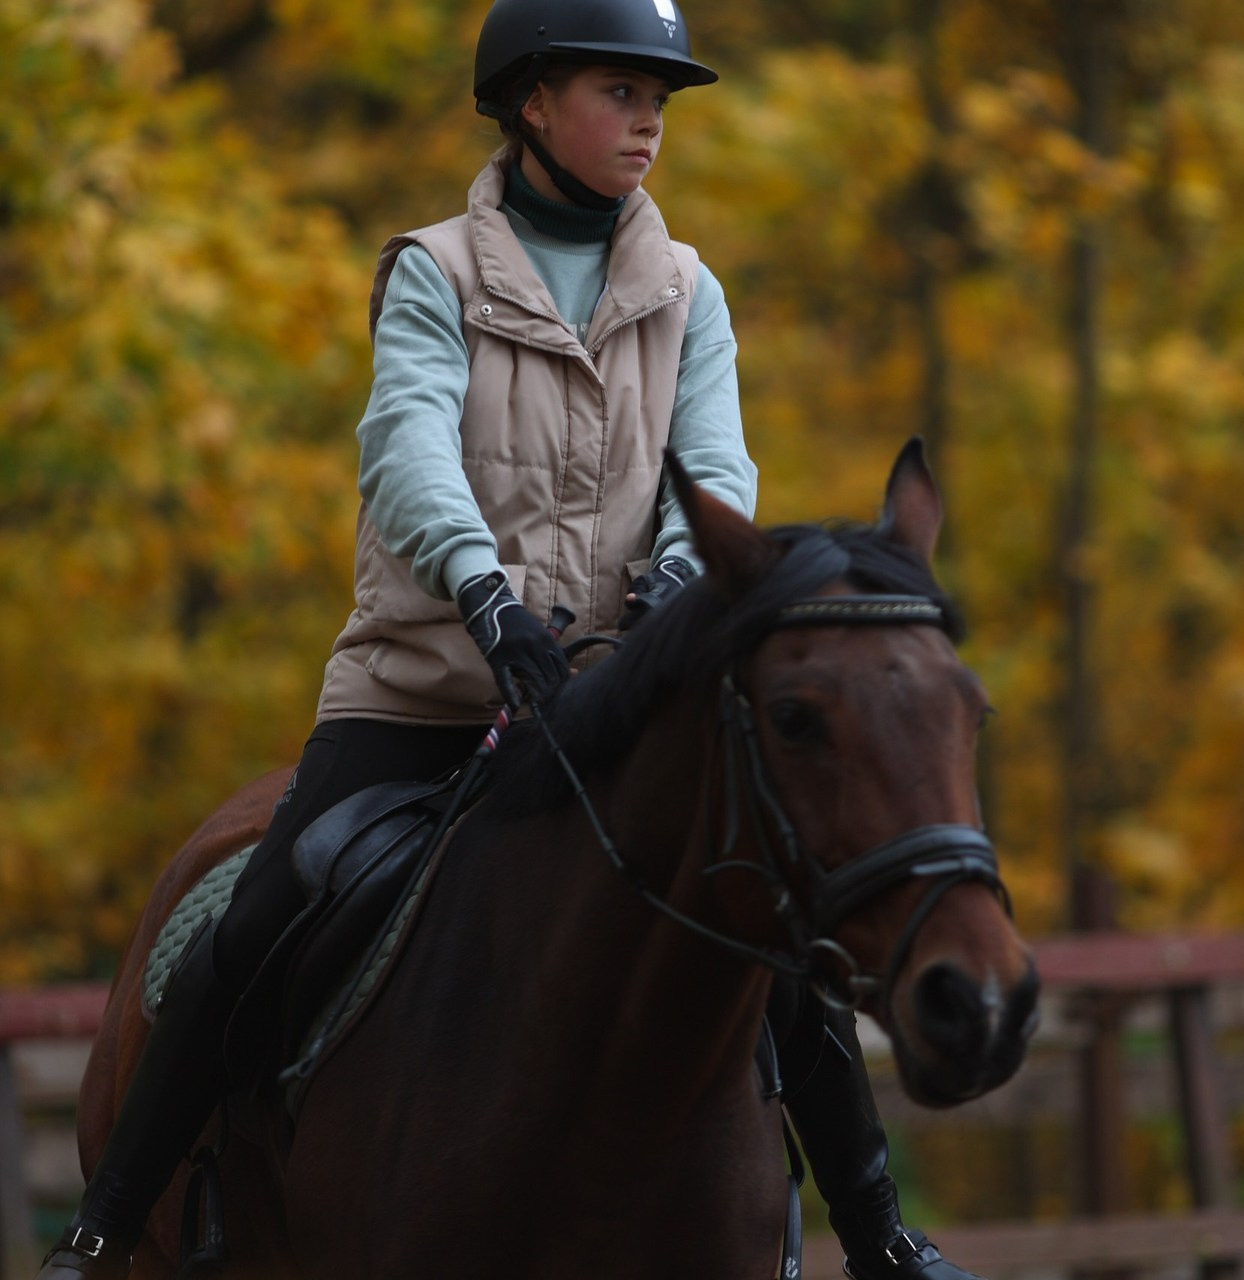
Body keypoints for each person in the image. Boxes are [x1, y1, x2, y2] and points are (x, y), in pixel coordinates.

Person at [38, 3, 981, 1277]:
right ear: (531, 102)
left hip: (611, 708)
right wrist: (484, 595)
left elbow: (714, 470)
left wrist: (670, 596)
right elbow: (408, 448)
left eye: (660, 97)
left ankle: (876, 1231)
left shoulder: (689, 289)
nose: (648, 118)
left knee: (766, 931)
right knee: (258, 913)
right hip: (420, 692)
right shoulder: (432, 270)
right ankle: (105, 1227)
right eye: (617, 89)